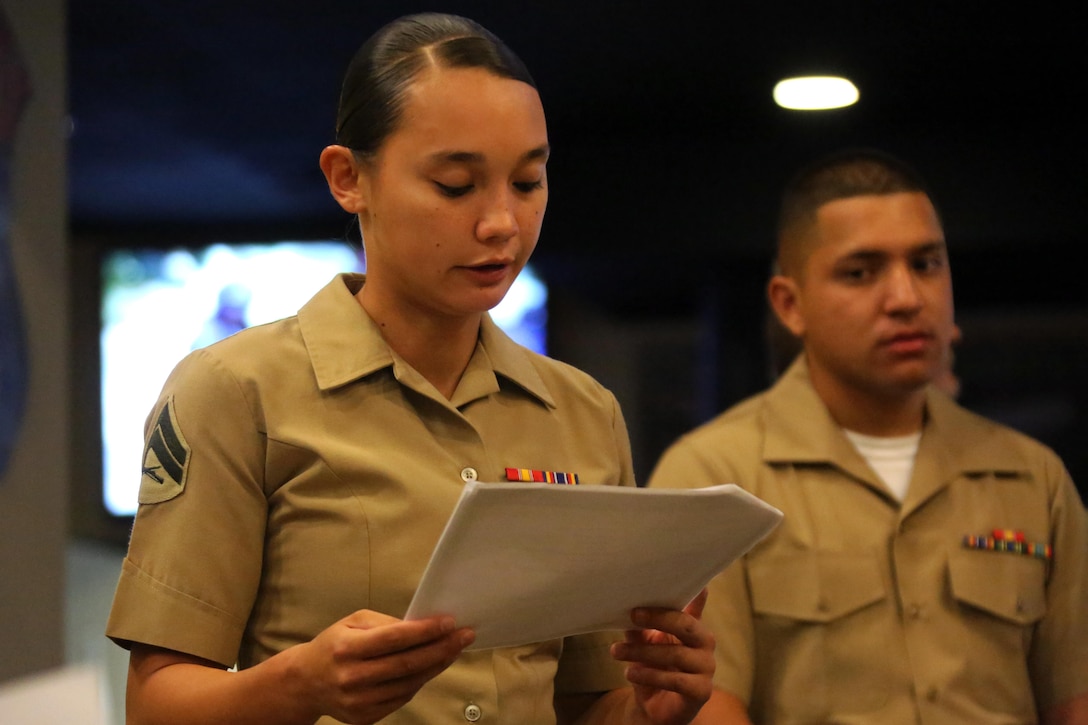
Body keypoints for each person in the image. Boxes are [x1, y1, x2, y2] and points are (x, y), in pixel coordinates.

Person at [106, 13, 714, 725]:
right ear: (348, 178)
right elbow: (155, 706)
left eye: (527, 181)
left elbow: (581, 702)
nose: (501, 223)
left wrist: (652, 708)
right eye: (456, 185)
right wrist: (299, 683)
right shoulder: (237, 391)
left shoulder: (582, 411)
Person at [648, 148, 1088, 724]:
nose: (906, 298)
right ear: (790, 303)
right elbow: (706, 704)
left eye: (926, 264)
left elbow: (1072, 697)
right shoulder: (713, 475)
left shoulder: (1033, 477)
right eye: (861, 272)